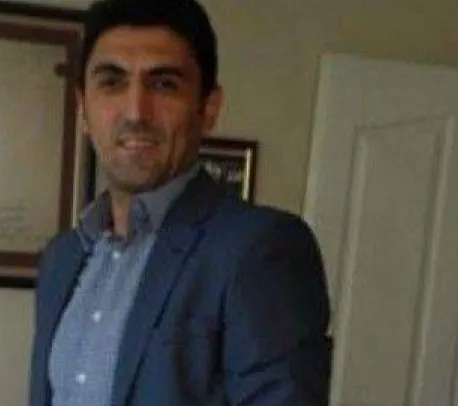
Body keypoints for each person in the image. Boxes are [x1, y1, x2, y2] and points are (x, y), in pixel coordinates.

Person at [29, 0, 332, 404]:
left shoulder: (261, 249)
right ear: (84, 108)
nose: (136, 112)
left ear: (208, 108)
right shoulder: (62, 259)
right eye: (112, 82)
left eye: (164, 84)